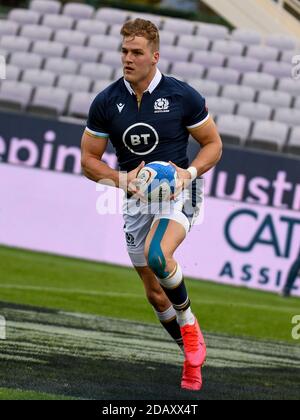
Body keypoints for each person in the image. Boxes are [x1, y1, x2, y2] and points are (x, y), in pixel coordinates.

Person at [81, 18, 222, 391]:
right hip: (136, 199)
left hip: (180, 191)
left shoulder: (181, 95)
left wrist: (188, 174)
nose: (127, 58)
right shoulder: (107, 101)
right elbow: (88, 160)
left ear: (154, 56)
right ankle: (191, 357)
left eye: (136, 52)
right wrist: (122, 179)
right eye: (124, 51)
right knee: (155, 292)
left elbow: (214, 145)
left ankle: (189, 325)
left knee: (158, 254)